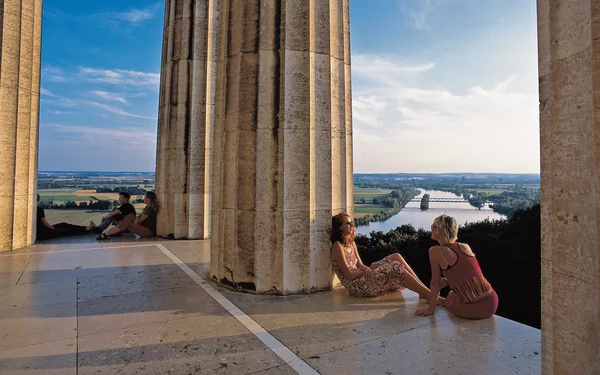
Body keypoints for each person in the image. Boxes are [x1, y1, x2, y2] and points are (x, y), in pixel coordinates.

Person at [415, 214, 498, 319]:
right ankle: (442, 294)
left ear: (441, 230)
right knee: (453, 293)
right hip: (492, 301)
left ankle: (442, 301)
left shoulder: (435, 251)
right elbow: (467, 273)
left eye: (434, 226)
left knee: (450, 298)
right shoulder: (464, 246)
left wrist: (431, 309)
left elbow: (435, 283)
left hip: (476, 308)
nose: (431, 227)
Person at [330, 212, 431, 298]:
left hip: (362, 275)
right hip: (356, 285)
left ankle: (423, 290)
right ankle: (429, 294)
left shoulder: (351, 243)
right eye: (348, 223)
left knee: (396, 256)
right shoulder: (337, 247)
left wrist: (367, 269)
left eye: (351, 222)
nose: (351, 225)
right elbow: (349, 275)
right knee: (395, 267)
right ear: (339, 227)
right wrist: (367, 270)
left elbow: (360, 265)